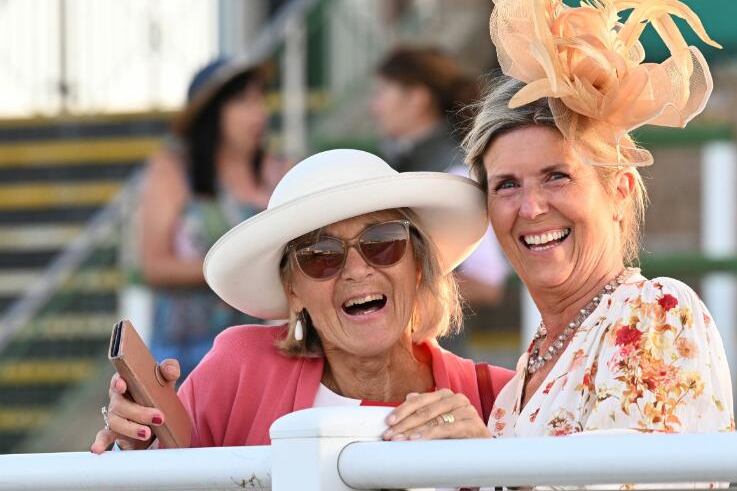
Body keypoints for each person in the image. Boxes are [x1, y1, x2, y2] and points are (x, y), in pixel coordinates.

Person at [383, 0, 734, 443]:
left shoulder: (656, 312)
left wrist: (479, 464)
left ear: (618, 191)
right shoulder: (518, 385)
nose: (531, 207)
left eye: (557, 176)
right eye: (506, 186)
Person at [91, 149, 513, 456]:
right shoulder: (239, 369)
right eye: (321, 256)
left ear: (418, 264)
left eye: (382, 243)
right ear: (293, 289)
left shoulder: (499, 396)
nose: (356, 270)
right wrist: (134, 440)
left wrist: (488, 470)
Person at [137, 57, 287, 381]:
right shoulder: (172, 173)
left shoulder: (281, 171)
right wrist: (230, 265)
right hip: (184, 358)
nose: (258, 112)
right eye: (243, 101)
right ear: (210, 114)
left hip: (263, 351)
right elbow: (154, 266)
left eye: (260, 98)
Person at [370, 46, 510, 354]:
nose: (374, 106)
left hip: (437, 364)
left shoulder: (455, 169)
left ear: (417, 98)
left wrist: (393, 286)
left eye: (382, 93)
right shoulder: (405, 162)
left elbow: (489, 284)